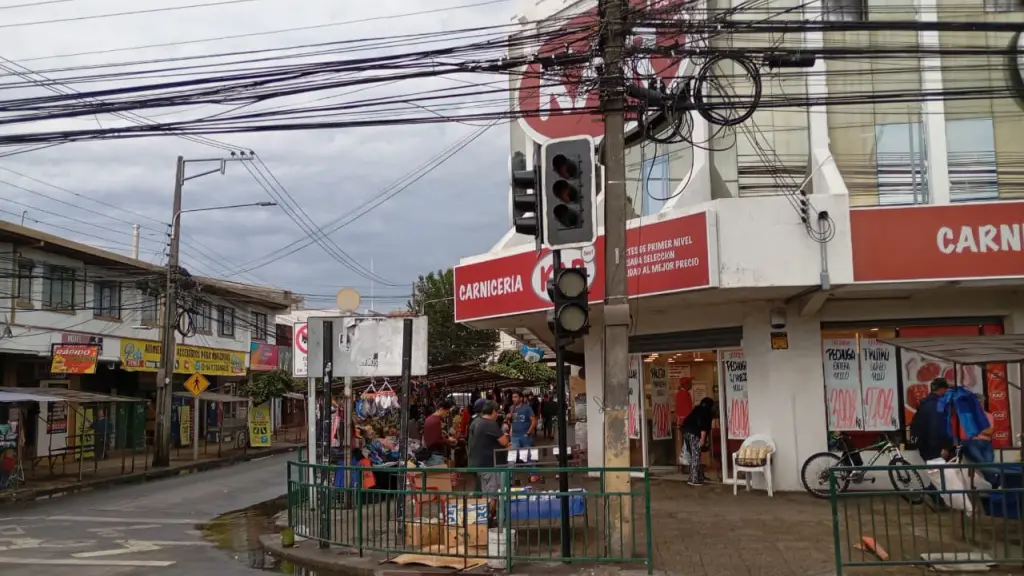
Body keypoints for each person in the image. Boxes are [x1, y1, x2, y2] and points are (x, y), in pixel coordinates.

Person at [911, 378, 956, 508]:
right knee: (942, 472)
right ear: (942, 389)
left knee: (939, 472)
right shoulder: (938, 405)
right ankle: (933, 492)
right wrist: (945, 446)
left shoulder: (925, 404)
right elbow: (937, 427)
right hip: (935, 445)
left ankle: (937, 497)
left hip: (925, 445)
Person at [468, 401, 510, 499]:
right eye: (497, 412)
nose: (497, 415)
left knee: (486, 491)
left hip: (480, 463)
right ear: (494, 412)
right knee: (492, 494)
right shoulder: (491, 424)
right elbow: (504, 442)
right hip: (490, 464)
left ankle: (486, 512)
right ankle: (491, 512)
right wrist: (507, 436)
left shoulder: (477, 422)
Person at [961, 393, 998, 486]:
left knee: (988, 463)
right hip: (972, 443)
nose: (981, 405)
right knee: (982, 462)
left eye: (982, 402)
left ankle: (994, 485)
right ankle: (997, 482)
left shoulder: (989, 416)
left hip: (986, 443)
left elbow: (990, 431)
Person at [681, 398, 715, 486]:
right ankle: (693, 479)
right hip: (694, 434)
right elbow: (703, 427)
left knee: (695, 455)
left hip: (687, 432)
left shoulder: (697, 410)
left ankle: (700, 476)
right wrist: (703, 439)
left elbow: (687, 422)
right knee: (696, 456)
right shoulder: (706, 413)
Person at [422, 400, 456, 465]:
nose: (447, 415)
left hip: (431, 453)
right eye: (447, 412)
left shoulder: (429, 418)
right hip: (436, 456)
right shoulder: (436, 421)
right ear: (441, 409)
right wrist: (448, 440)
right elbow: (436, 440)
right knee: (438, 474)